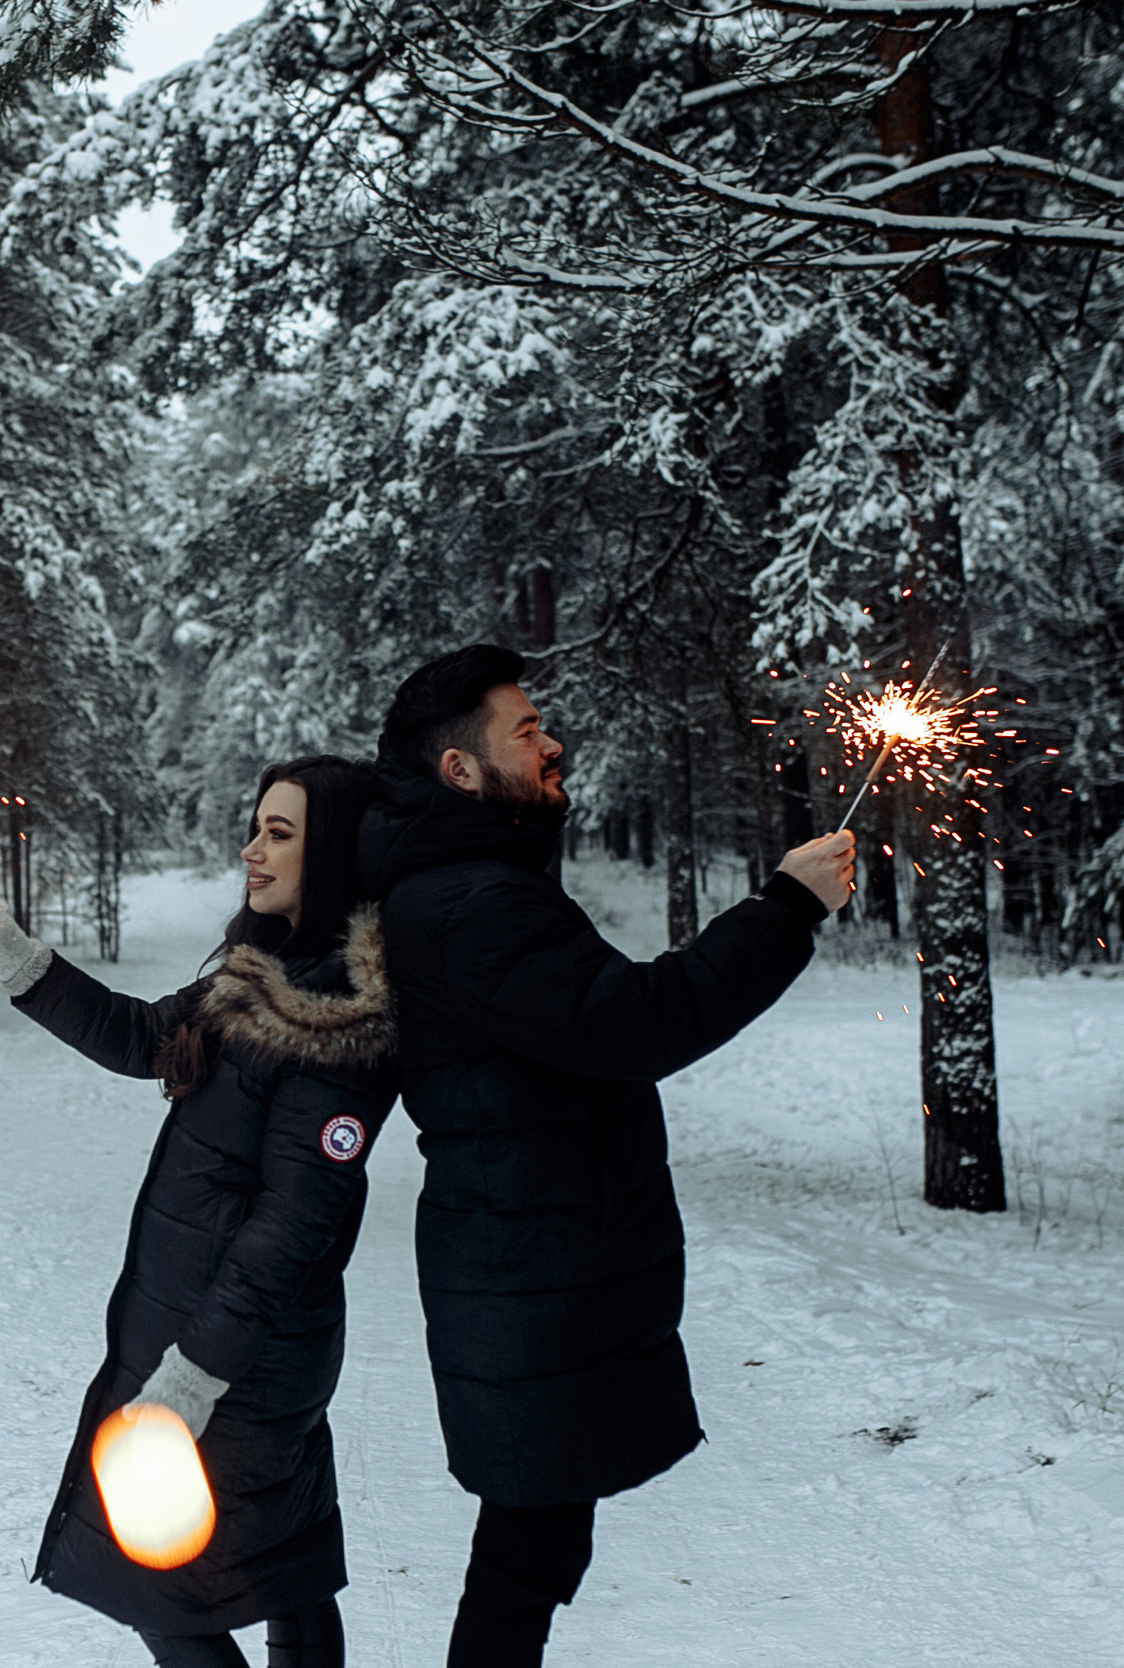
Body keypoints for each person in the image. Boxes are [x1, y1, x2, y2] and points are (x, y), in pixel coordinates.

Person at [355, 645, 855, 1668]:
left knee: (533, 1541)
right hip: (525, 1272)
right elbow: (636, 1022)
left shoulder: (474, 884)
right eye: (526, 731)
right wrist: (785, 908)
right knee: (527, 1548)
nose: (554, 744)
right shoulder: (469, 901)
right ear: (460, 771)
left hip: (527, 1263)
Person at [0, 755, 398, 1668]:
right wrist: (13, 952)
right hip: (229, 1347)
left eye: (280, 832)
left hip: (237, 1364)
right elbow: (143, 1036)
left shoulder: (341, 1016)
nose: (250, 848)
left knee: (162, 1587)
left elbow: (295, 1227)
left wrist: (194, 1376)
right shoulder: (259, 974)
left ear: (335, 848)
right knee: (285, 1569)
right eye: (255, 825)